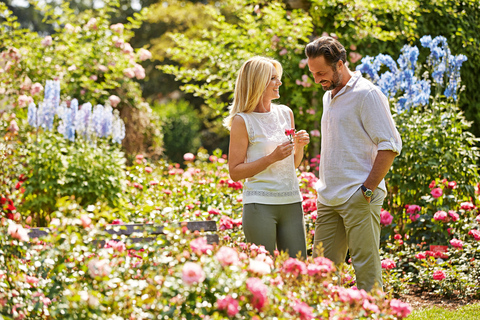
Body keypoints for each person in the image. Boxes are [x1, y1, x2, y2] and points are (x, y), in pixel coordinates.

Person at [305, 36, 402, 291]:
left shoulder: (367, 94)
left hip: (359, 196)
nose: (317, 80)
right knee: (321, 273)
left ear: (339, 64)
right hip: (328, 197)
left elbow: (390, 145)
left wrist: (367, 190)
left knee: (366, 270)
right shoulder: (329, 95)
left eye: (321, 73)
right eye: (313, 73)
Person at [224, 56, 310, 259]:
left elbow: (292, 165)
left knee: (299, 271)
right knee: (264, 271)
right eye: (273, 78)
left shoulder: (286, 113)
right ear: (257, 82)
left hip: (291, 202)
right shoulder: (242, 120)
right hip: (259, 205)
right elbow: (235, 172)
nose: (279, 82)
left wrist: (299, 147)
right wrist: (271, 158)